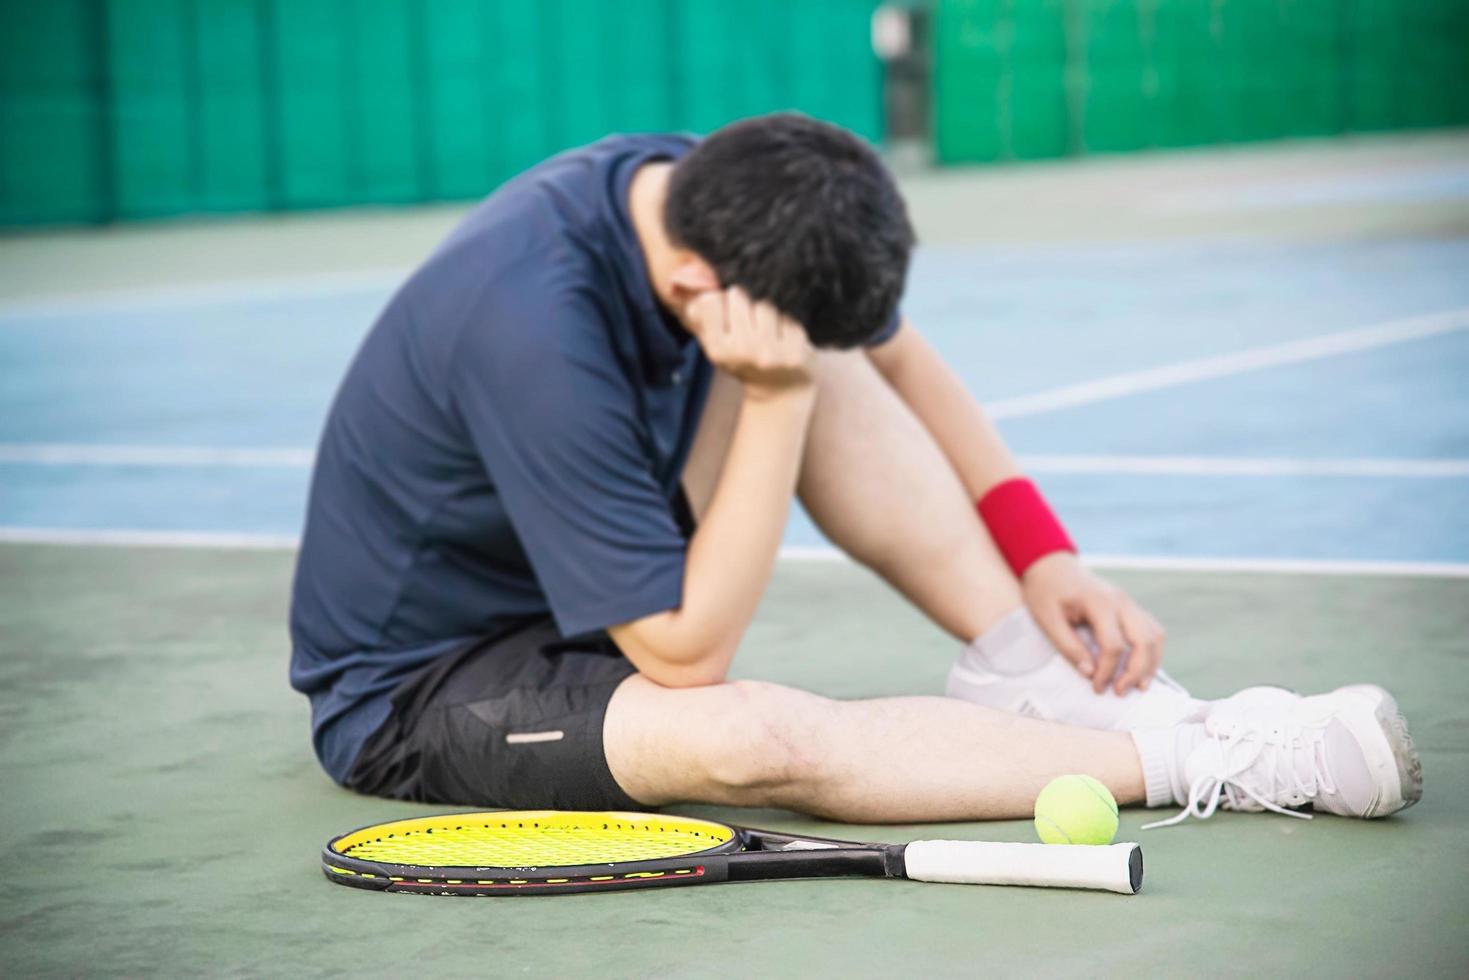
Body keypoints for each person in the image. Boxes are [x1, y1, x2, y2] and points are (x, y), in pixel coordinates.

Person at [289, 113, 1421, 827]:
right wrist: (772, 393)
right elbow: (686, 656)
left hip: (583, 586)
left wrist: (1042, 557)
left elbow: (893, 351)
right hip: (424, 687)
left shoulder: (708, 189)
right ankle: (1200, 754)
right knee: (740, 735)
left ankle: (1019, 663)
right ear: (694, 283)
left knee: (817, 355)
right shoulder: (534, 334)